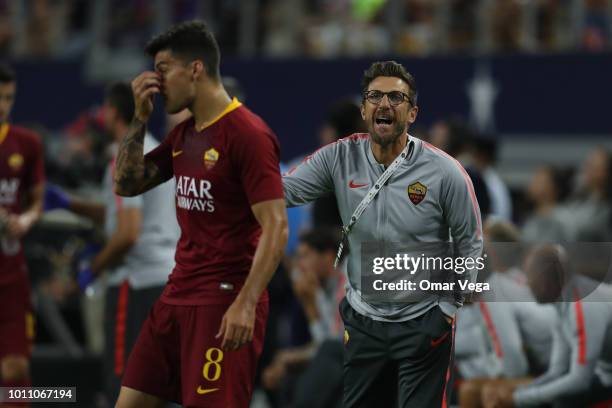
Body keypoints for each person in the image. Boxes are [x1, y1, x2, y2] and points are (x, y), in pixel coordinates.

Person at [283, 60, 483, 407]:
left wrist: (446, 311)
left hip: (423, 320)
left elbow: (470, 244)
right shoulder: (339, 157)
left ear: (413, 113)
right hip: (363, 323)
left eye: (396, 97)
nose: (385, 104)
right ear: (363, 109)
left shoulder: (445, 172)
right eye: (375, 96)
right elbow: (280, 191)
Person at [111, 21, 288, 408]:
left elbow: (276, 226)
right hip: (176, 294)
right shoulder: (185, 134)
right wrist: (139, 119)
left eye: (162, 70)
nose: (154, 82)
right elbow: (126, 184)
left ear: (195, 68)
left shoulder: (248, 135)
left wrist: (246, 302)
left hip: (224, 302)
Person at [44, 82, 179, 402]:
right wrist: (71, 204)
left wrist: (90, 270)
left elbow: (128, 232)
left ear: (114, 113)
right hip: (167, 280)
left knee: (123, 386)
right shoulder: (156, 148)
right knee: (154, 387)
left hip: (134, 286)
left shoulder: (125, 156)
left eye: (104, 109)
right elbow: (123, 211)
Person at [484, 244, 612, 408]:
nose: (528, 283)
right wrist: (518, 392)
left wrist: (517, 399)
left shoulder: (582, 305)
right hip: (604, 373)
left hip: (604, 376)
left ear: (553, 278)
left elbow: (580, 381)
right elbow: (557, 371)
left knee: (560, 401)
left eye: (532, 276)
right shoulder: (561, 304)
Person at [0, 63, 44, 402]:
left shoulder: (27, 144)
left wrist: (25, 221)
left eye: (8, 98)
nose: (3, 105)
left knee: (15, 369)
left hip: (11, 276)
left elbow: (36, 202)